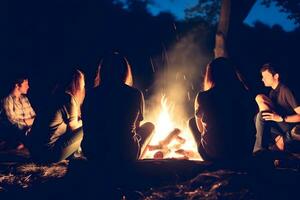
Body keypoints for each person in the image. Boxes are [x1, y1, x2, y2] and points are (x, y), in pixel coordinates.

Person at [82, 52, 154, 166]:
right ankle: (136, 164)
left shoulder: (92, 94)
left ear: (102, 71)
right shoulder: (134, 94)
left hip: (93, 152)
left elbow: (87, 126)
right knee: (150, 126)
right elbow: (136, 127)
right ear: (125, 72)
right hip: (124, 154)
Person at [189, 57, 255, 161]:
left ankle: (211, 154)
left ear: (210, 75)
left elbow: (200, 129)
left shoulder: (203, 96)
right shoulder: (244, 94)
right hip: (243, 152)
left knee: (192, 122)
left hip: (214, 156)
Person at [28, 69, 85, 162]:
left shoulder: (55, 95)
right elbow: (73, 128)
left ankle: (74, 154)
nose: (84, 86)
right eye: (83, 83)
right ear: (77, 83)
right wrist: (84, 121)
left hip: (35, 152)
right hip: (48, 153)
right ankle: (78, 155)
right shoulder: (68, 98)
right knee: (87, 126)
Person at [254, 63, 300, 152]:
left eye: (266, 77)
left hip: (289, 125)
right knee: (258, 117)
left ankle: (259, 150)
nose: (262, 79)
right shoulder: (272, 92)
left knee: (259, 103)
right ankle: (274, 144)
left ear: (276, 76)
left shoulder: (286, 90)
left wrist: (281, 118)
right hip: (280, 126)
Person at [0, 75, 36, 149]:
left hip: (28, 130)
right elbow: (12, 122)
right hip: (18, 132)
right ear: (17, 85)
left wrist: (28, 123)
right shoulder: (7, 100)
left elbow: (34, 116)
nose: (28, 87)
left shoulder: (24, 99)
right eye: (26, 84)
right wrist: (28, 124)